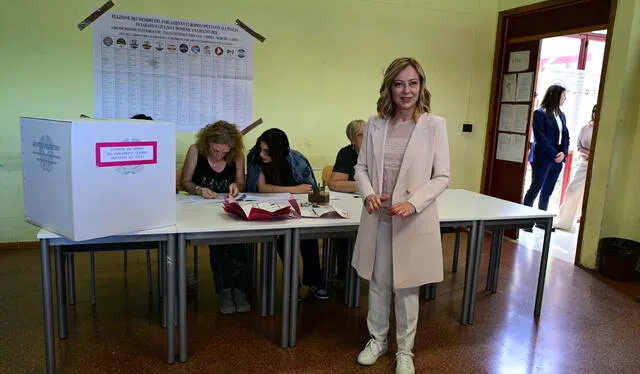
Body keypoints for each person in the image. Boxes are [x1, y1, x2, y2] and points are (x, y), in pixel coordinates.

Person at [352, 57, 450, 374]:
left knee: (406, 287)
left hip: (411, 220)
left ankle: (404, 350)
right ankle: (377, 341)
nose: (406, 91)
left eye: (412, 83)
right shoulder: (376, 124)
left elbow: (442, 176)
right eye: (398, 84)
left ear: (421, 86)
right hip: (379, 217)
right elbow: (361, 168)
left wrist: (414, 203)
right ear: (389, 88)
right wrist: (367, 192)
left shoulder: (434, 126)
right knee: (379, 283)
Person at [246, 128, 329, 300]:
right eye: (260, 148)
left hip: (297, 206)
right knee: (284, 240)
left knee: (309, 238)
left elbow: (309, 189)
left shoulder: (297, 160)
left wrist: (294, 192)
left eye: (267, 151)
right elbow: (261, 188)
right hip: (269, 208)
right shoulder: (254, 157)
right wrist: (293, 189)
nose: (261, 154)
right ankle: (292, 282)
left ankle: (315, 282)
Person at [180, 121, 251, 314]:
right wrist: (198, 190)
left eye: (224, 152)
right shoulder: (196, 150)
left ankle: (240, 289)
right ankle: (225, 290)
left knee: (238, 242)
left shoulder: (236, 155)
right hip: (202, 209)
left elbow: (241, 182)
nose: (219, 155)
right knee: (219, 244)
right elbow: (185, 182)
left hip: (228, 207)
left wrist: (236, 186)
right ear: (207, 142)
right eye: (215, 150)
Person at [522, 85, 570, 231]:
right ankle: (525, 222)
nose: (565, 99)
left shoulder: (561, 115)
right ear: (555, 97)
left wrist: (564, 152)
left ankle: (542, 220)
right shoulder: (539, 113)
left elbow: (566, 136)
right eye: (563, 96)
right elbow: (540, 137)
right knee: (536, 187)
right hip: (543, 157)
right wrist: (554, 153)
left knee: (548, 190)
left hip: (557, 158)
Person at [328, 119, 366, 282]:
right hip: (353, 206)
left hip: (375, 207)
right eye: (360, 135)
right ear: (351, 139)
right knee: (343, 231)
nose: (366, 139)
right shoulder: (347, 153)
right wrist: (365, 186)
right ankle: (345, 275)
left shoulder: (380, 152)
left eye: (368, 134)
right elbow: (334, 183)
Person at [556, 104, 596, 231]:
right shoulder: (586, 128)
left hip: (597, 165)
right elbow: (579, 146)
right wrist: (589, 153)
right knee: (572, 190)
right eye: (594, 110)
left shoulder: (604, 129)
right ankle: (564, 221)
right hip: (584, 163)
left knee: (591, 195)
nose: (595, 113)